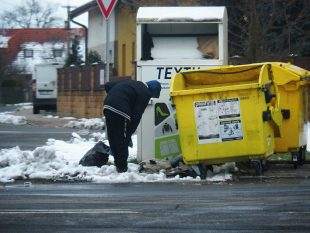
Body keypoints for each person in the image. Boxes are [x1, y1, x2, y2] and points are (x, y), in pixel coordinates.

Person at [103, 79, 161, 173]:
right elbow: (136, 116)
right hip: (121, 110)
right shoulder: (145, 93)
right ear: (151, 91)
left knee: (113, 137)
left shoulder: (132, 83)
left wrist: (115, 96)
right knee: (122, 140)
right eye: (152, 95)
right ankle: (122, 168)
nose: (150, 97)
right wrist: (129, 134)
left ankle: (118, 164)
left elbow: (108, 85)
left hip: (107, 106)